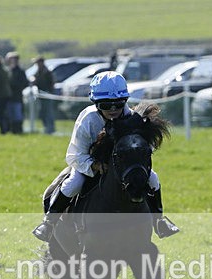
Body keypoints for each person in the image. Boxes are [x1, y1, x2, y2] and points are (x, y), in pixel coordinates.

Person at [32, 71, 179, 242]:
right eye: (106, 106)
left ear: (125, 101)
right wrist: (94, 165)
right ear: (96, 103)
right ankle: (49, 223)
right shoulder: (87, 119)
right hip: (87, 162)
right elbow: (74, 155)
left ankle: (159, 222)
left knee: (153, 178)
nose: (113, 110)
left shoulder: (132, 117)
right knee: (73, 183)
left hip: (120, 166)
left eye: (118, 104)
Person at [32, 56, 55, 134]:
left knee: (48, 112)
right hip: (40, 96)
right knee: (43, 113)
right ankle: (46, 127)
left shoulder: (47, 72)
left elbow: (51, 84)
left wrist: (49, 92)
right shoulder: (38, 72)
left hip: (47, 95)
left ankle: (50, 129)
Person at [6, 52, 27, 134]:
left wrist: (14, 86)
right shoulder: (9, 70)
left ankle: (18, 130)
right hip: (9, 97)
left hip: (17, 97)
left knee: (17, 115)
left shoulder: (20, 71)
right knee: (10, 115)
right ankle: (12, 130)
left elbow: (24, 83)